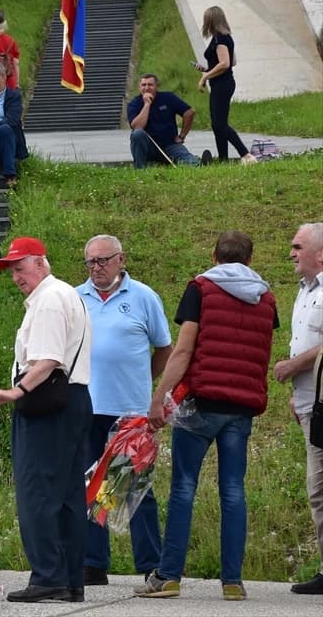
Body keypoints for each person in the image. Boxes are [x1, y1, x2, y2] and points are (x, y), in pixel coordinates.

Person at [137, 231, 277, 601]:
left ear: (214, 254)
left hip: (201, 404)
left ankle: (168, 576)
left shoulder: (201, 289)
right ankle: (232, 581)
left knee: (184, 487)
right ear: (249, 258)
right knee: (233, 490)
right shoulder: (266, 297)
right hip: (241, 407)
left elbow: (182, 352)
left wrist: (159, 398)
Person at [0, 237, 92, 603]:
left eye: (20, 267)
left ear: (41, 262)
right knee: (69, 494)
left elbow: (46, 360)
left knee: (37, 492)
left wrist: (16, 392)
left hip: (48, 404)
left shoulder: (48, 300)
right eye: (11, 270)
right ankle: (70, 578)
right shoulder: (65, 294)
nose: (16, 276)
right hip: (73, 400)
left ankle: (48, 576)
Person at [77, 235, 171, 585]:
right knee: (91, 486)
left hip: (130, 411)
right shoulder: (75, 298)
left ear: (121, 259)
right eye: (91, 262)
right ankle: (93, 562)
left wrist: (144, 380)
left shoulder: (144, 297)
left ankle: (150, 562)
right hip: (88, 408)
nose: (97, 268)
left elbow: (164, 347)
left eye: (103, 260)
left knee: (135, 489)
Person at [276, 223, 323, 595]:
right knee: (318, 491)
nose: (291, 252)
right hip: (310, 405)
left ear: (320, 253)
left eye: (297, 246)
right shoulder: (305, 290)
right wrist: (298, 394)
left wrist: (294, 367)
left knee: (320, 489)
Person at [197, 5, 255, 165]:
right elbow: (232, 62)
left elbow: (225, 63)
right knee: (217, 124)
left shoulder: (219, 40)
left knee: (219, 124)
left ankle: (246, 155)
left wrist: (204, 77)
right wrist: (208, 69)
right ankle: (223, 160)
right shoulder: (226, 37)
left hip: (222, 84)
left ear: (210, 21)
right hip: (223, 83)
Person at [127, 73, 201, 169]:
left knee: (185, 157)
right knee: (137, 134)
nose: (147, 88)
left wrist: (182, 136)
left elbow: (189, 112)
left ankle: (198, 163)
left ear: (157, 86)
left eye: (150, 85)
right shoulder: (134, 104)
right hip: (149, 147)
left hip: (169, 144)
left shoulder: (168, 98)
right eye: (143, 85)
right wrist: (147, 105)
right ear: (139, 87)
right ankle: (140, 168)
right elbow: (137, 127)